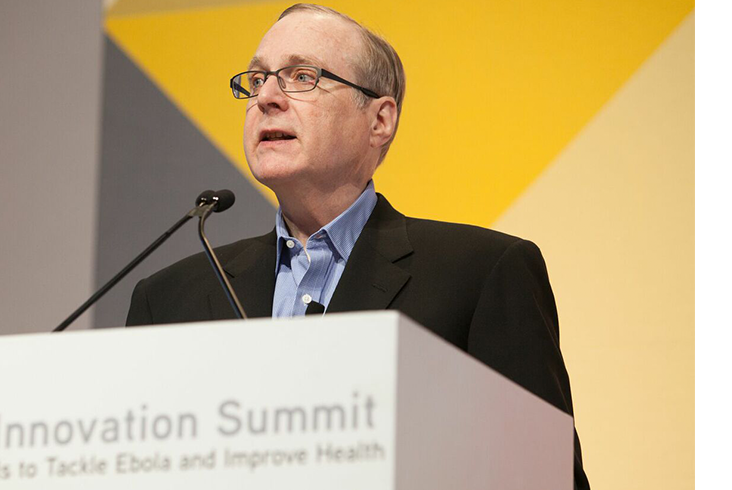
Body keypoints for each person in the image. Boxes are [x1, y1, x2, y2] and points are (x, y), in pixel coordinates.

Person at [125, 4, 588, 488]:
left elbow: (547, 477)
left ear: (379, 120)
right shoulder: (168, 300)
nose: (266, 98)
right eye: (257, 79)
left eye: (302, 76)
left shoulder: (481, 275)